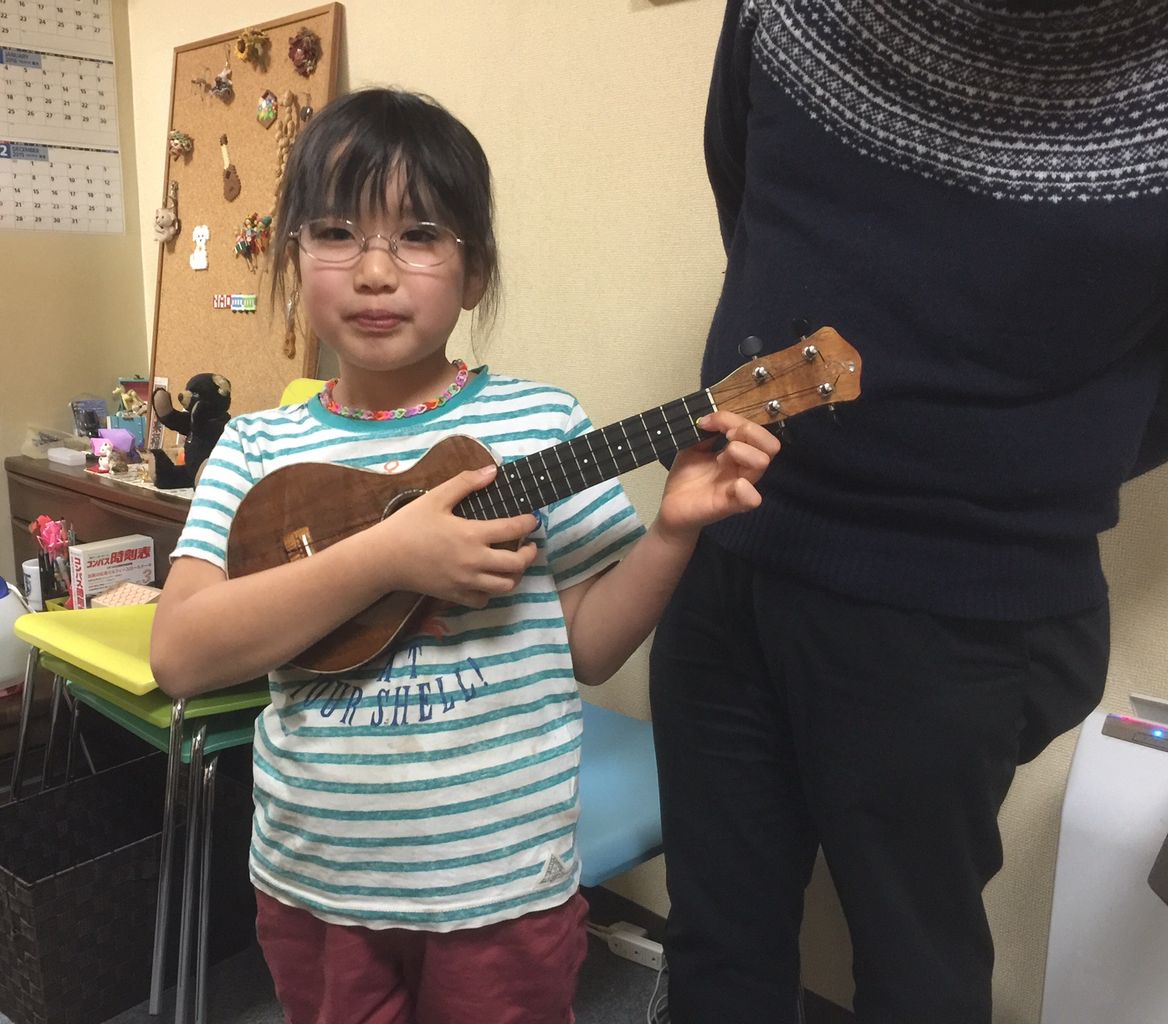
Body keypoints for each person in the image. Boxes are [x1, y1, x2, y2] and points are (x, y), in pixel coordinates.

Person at [149, 87, 780, 1024]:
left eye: (418, 236)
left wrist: (674, 531)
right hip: (317, 885)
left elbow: (589, 648)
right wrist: (387, 559)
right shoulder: (253, 447)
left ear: (475, 270)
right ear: (293, 259)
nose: (375, 272)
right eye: (336, 233)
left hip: (504, 887)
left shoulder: (542, 424)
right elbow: (182, 654)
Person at [648, 3, 1168, 1023]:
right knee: (715, 949)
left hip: (964, 608)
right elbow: (746, 199)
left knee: (915, 974)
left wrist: (1020, 466)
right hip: (732, 542)